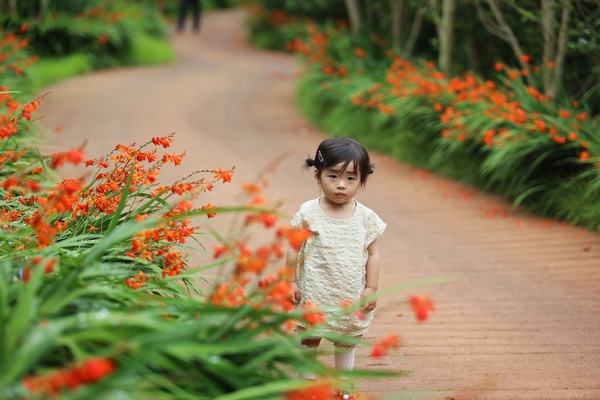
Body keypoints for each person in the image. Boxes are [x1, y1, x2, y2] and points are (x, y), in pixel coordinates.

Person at [286, 137, 386, 399]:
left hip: (349, 292)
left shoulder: (366, 218)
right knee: (310, 336)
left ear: (361, 180)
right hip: (316, 290)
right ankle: (307, 383)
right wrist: (291, 282)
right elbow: (293, 248)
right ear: (317, 175)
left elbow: (373, 254)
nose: (341, 185)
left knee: (346, 337)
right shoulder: (309, 212)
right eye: (333, 176)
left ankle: (344, 384)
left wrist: (371, 288)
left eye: (351, 178)